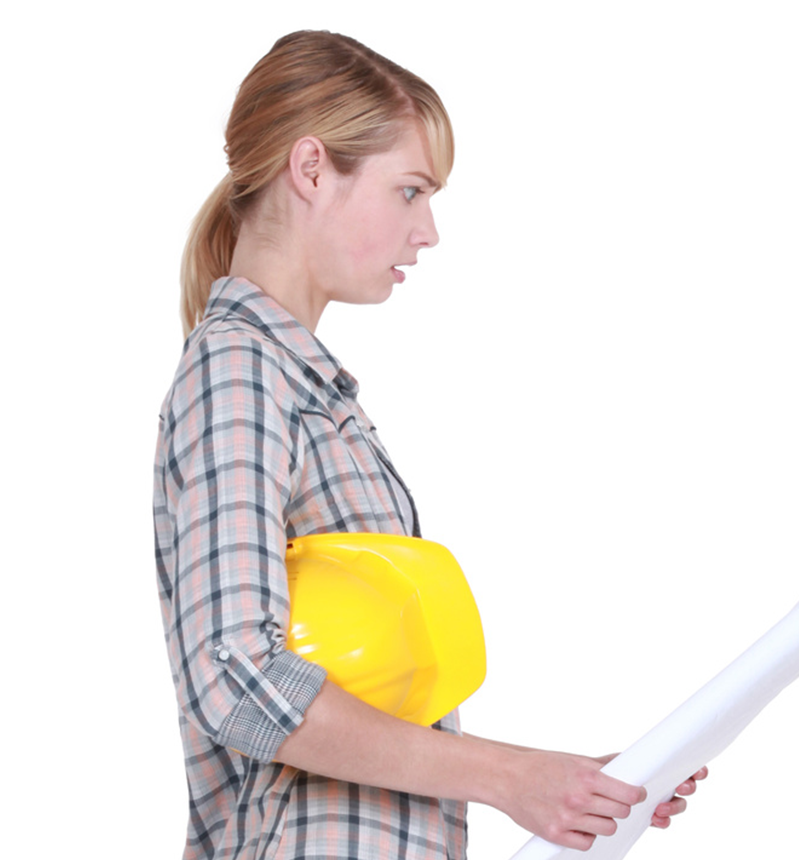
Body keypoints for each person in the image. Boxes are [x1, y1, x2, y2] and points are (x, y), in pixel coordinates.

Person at [153, 30, 705, 860]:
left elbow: (362, 688)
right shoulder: (239, 370)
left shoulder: (296, 387)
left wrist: (566, 784)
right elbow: (236, 674)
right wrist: (510, 777)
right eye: (409, 191)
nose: (429, 230)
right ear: (311, 170)